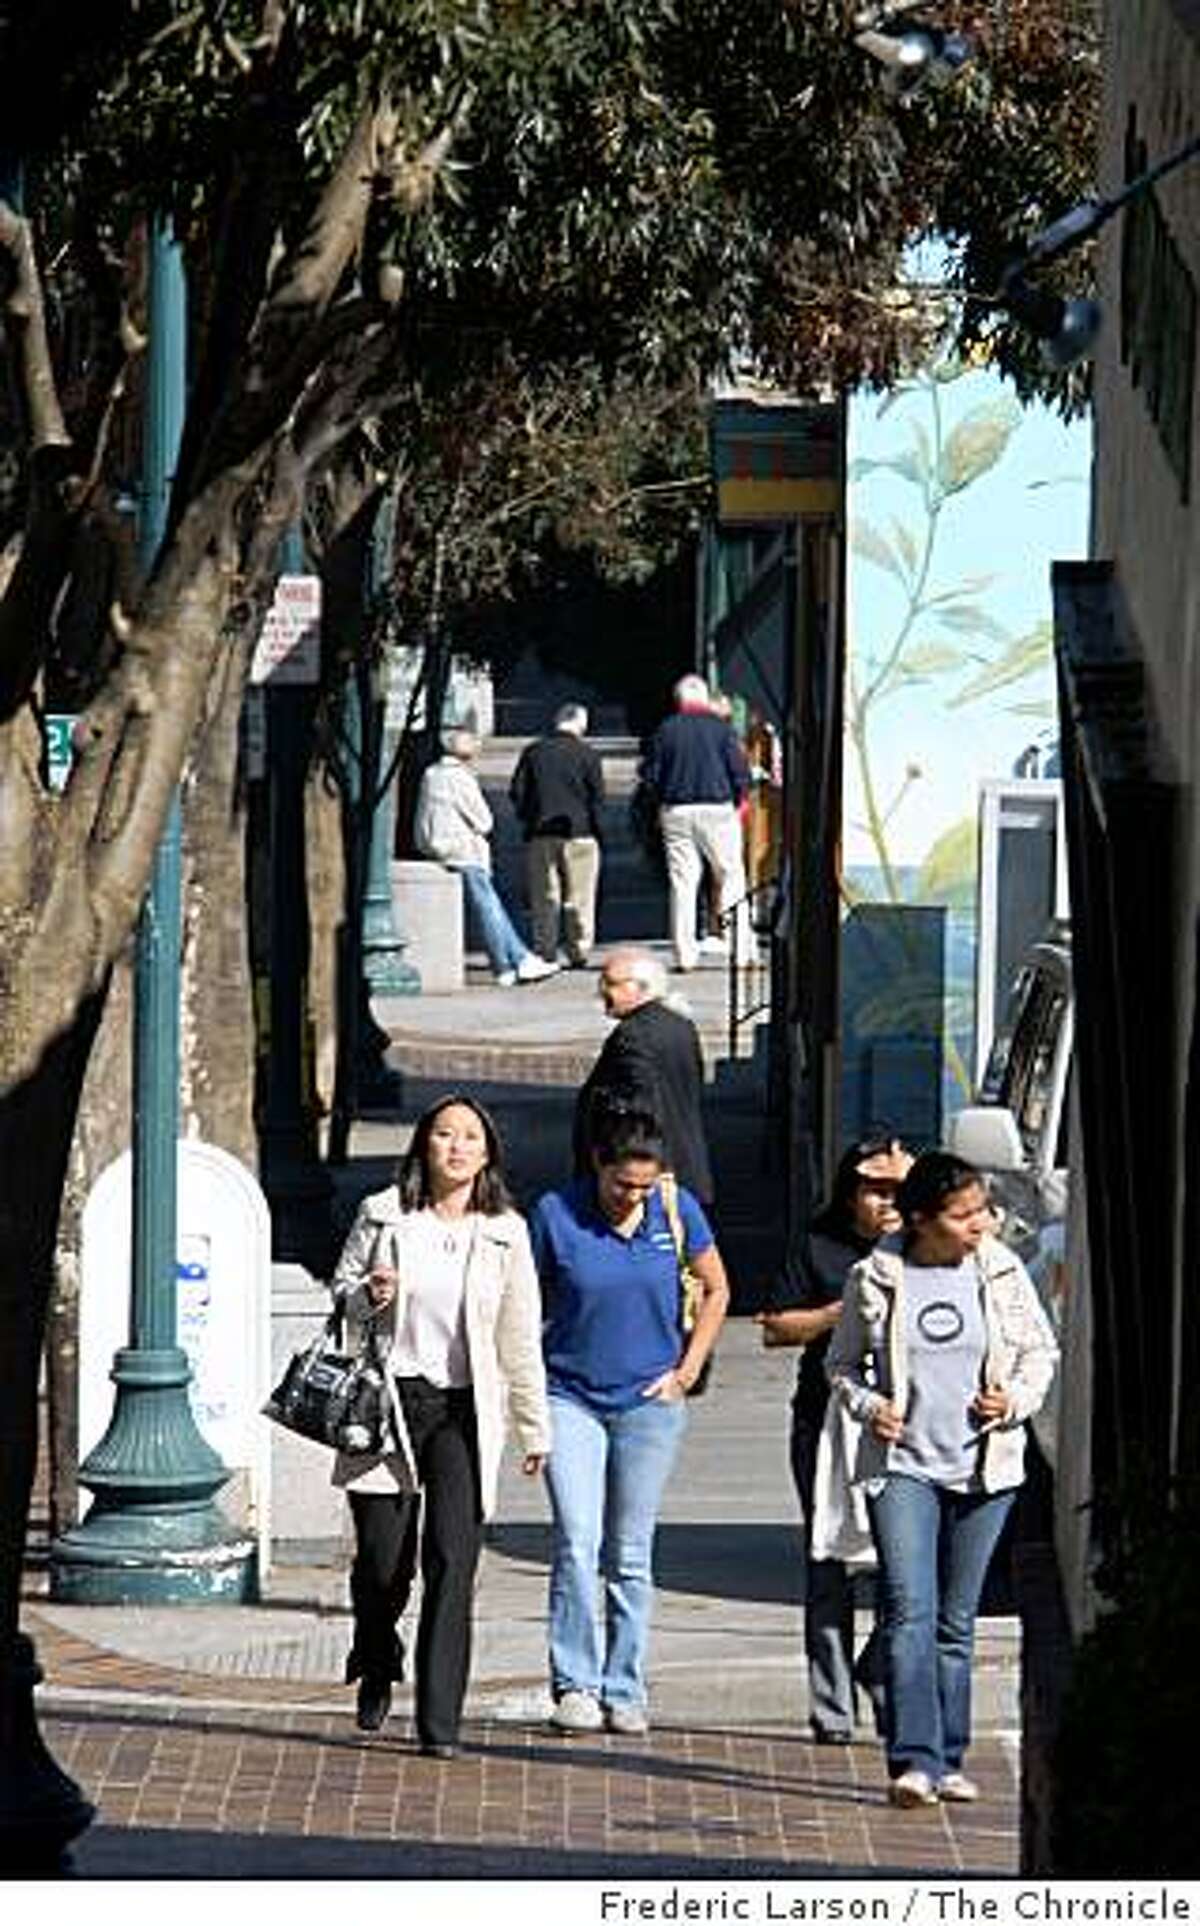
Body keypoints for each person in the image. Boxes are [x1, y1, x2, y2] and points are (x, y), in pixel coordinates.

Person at [826, 1150, 1058, 1808]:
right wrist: (872, 1407)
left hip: (986, 1468)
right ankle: (915, 1761)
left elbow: (1041, 1353)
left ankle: (951, 1754)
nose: (980, 1223)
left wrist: (1011, 1399)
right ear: (923, 1219)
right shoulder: (876, 1276)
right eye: (964, 1215)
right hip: (903, 1467)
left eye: (983, 1210)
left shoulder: (1003, 1270)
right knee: (908, 1611)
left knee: (957, 1622)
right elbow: (839, 1367)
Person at [330, 1094, 551, 1756]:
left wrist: (534, 1428)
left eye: (470, 1139)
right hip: (389, 1404)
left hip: (466, 1411)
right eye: (444, 1135)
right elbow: (340, 1301)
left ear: (487, 1155)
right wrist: (368, 1296)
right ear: (424, 1144)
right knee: (381, 1565)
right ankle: (375, 1649)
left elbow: (519, 1335)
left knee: (453, 1562)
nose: (456, 1147)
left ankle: (439, 1723)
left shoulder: (506, 1230)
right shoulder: (383, 1215)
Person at [531, 1107, 730, 1734]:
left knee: (631, 1551)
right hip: (570, 1396)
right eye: (623, 1185)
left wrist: (688, 1369)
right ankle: (575, 1682)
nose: (633, 1197)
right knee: (577, 1540)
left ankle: (625, 1684)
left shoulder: (677, 1211)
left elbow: (717, 1287)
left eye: (645, 1186)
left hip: (649, 1400)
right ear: (598, 1166)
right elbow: (522, 1301)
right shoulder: (556, 1215)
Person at [757, 1134, 913, 1746]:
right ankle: (832, 1709)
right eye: (876, 1188)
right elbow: (775, 1328)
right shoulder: (820, 1247)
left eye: (901, 1189)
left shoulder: (929, 1248)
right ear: (851, 1192)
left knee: (908, 1568)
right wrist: (842, 1310)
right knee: (828, 1564)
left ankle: (878, 1668)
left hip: (907, 1429)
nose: (889, 1201)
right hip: (826, 1425)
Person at [414, 727, 558, 986]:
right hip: (463, 851)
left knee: (489, 906)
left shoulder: (432, 773)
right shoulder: (459, 778)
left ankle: (514, 962)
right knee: (489, 907)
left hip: (439, 847)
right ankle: (512, 962)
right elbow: (484, 821)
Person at [572, 947, 714, 1209]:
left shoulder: (632, 1036)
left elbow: (639, 1109)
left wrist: (623, 1175)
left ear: (642, 988)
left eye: (611, 983)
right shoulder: (679, 1025)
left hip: (648, 1184)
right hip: (685, 1169)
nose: (602, 991)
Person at [638, 673, 750, 973]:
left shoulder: (666, 730)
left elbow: (650, 775)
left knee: (683, 883)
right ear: (704, 699)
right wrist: (741, 798)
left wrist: (661, 804)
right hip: (717, 809)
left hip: (676, 810)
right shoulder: (721, 730)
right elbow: (738, 769)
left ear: (679, 700)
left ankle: (684, 954)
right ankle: (740, 950)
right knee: (731, 876)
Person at [509, 702, 605, 969]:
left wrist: (529, 819)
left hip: (540, 834)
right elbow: (597, 798)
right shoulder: (588, 755)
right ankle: (579, 949)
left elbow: (518, 792)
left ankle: (545, 949)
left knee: (544, 896)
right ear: (580, 723)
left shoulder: (533, 752)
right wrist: (597, 830)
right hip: (580, 834)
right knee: (580, 896)